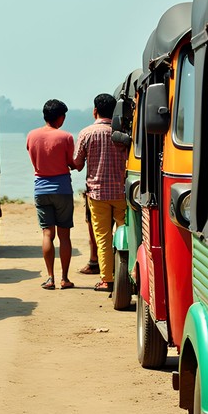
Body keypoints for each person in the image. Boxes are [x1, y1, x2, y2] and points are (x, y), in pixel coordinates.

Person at [72, 93, 127, 294]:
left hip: (97, 194)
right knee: (126, 232)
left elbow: (77, 164)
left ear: (95, 110)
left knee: (103, 237)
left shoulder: (86, 133)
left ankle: (107, 279)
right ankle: (129, 273)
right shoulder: (122, 133)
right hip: (121, 193)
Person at [25, 99, 76, 290]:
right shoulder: (66, 137)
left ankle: (50, 278)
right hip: (62, 189)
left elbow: (33, 157)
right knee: (64, 235)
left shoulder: (31, 135)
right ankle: (65, 278)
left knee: (47, 233)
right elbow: (72, 162)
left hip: (41, 189)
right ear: (60, 117)